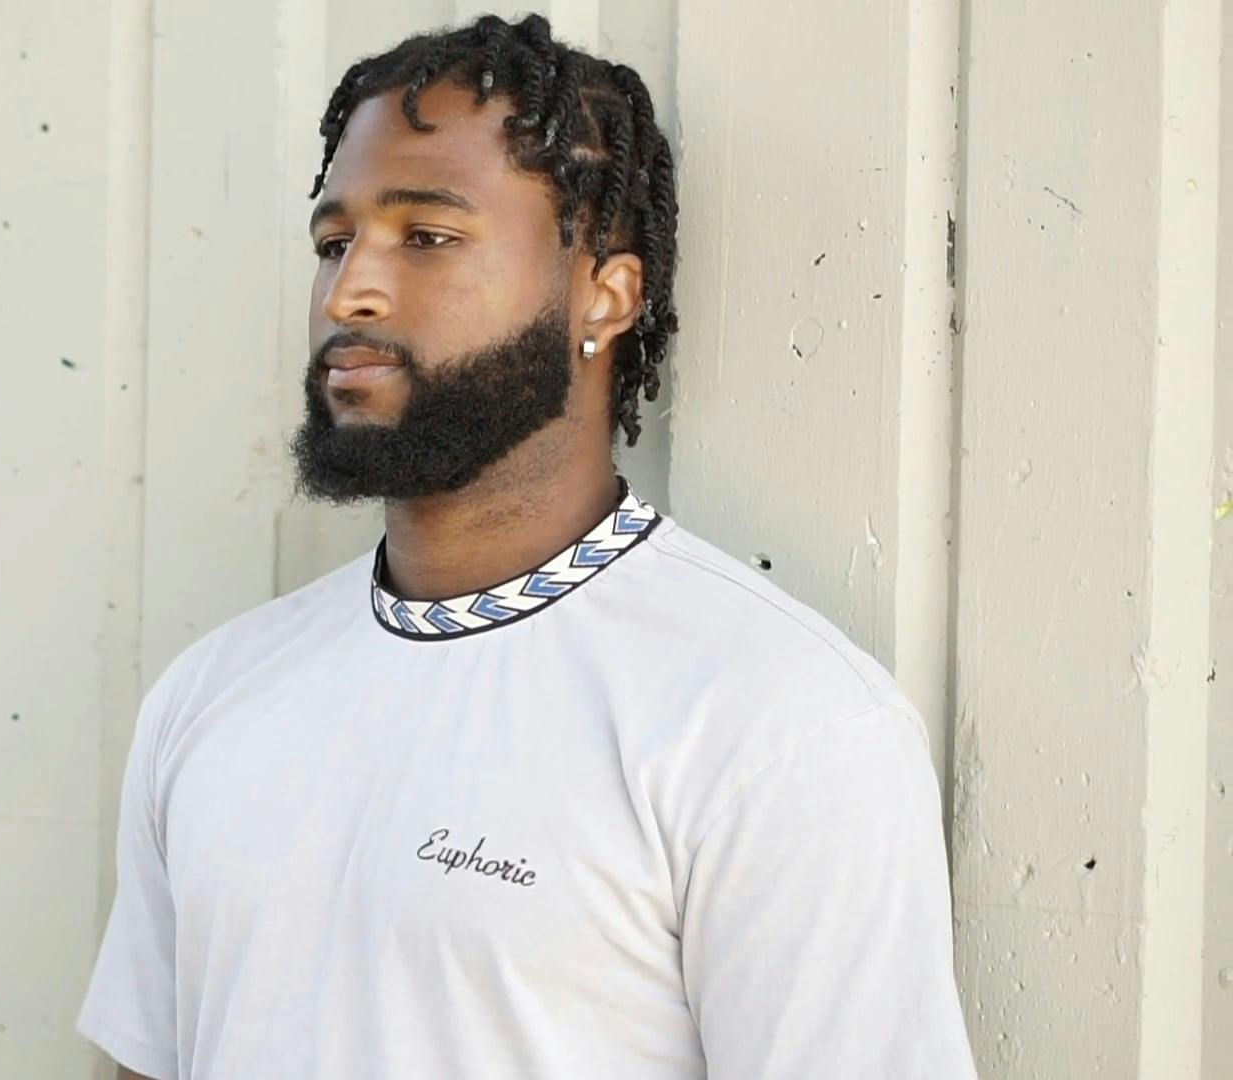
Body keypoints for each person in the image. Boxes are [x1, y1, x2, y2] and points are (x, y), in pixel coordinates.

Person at [78, 14, 977, 1079]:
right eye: (333, 243)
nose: (350, 290)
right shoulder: (215, 692)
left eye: (426, 236)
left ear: (606, 293)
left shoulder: (778, 725)